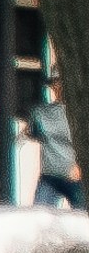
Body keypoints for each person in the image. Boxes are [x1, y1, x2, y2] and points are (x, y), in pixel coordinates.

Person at [34, 63, 79, 211]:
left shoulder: (81, 113)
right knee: (39, 218)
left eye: (61, 81)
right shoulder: (42, 112)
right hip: (49, 176)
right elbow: (29, 133)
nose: (57, 86)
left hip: (76, 177)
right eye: (55, 82)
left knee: (83, 219)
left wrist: (80, 166)